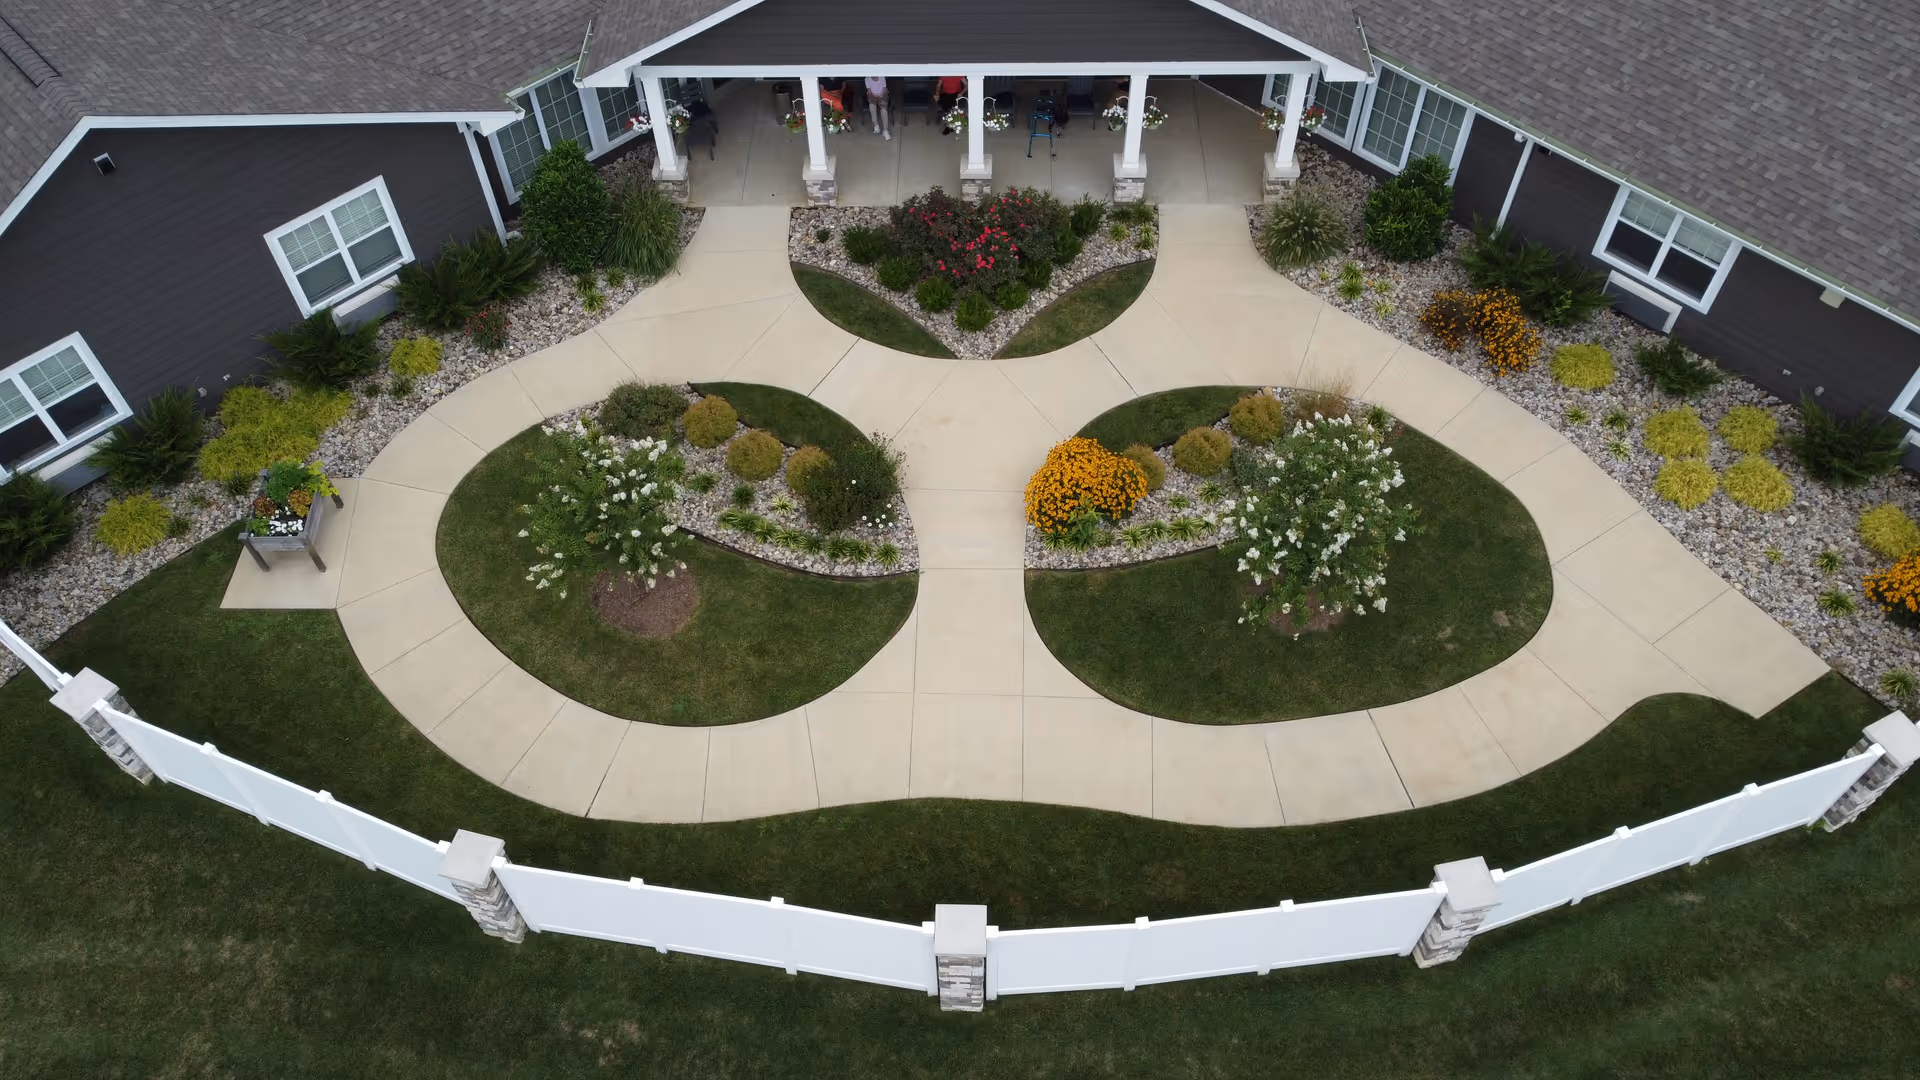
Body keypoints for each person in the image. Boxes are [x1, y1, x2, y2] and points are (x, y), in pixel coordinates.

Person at [864, 75, 891, 140]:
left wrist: (880, 96)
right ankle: (876, 125)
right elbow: (869, 90)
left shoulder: (881, 77)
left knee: (883, 110)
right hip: (873, 95)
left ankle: (885, 130)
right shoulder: (867, 79)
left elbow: (885, 89)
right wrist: (874, 96)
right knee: (872, 105)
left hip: (882, 95)